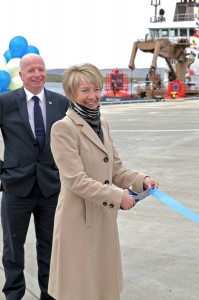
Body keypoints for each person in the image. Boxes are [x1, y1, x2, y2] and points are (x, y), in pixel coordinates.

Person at [48, 63, 159, 300]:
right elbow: (76, 180)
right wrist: (118, 196)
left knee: (103, 287)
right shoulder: (63, 129)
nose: (93, 96)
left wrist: (142, 180)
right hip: (78, 219)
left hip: (104, 217)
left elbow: (116, 168)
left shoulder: (102, 124)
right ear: (71, 95)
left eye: (96, 89)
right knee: (80, 288)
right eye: (85, 91)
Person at [0, 53, 69, 300]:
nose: (37, 74)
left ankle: (49, 295)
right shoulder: (5, 102)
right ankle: (14, 294)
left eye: (41, 69)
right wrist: (3, 171)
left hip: (51, 187)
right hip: (16, 187)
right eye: (31, 70)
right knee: (12, 248)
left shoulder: (61, 103)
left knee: (50, 248)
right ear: (21, 75)